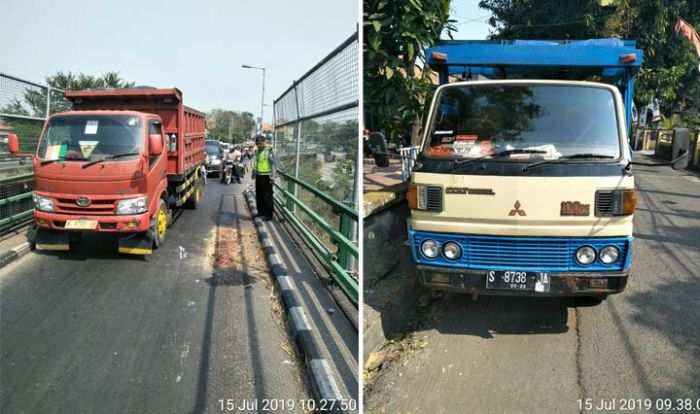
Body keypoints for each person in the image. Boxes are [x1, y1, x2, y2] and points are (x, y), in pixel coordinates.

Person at [251, 135, 276, 220]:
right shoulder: (257, 150)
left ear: (264, 142)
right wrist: (253, 172)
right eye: (257, 143)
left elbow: (274, 164)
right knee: (259, 195)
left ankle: (268, 215)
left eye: (260, 143)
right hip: (259, 175)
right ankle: (260, 212)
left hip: (267, 176)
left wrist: (273, 177)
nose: (259, 145)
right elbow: (256, 162)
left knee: (267, 196)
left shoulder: (270, 150)